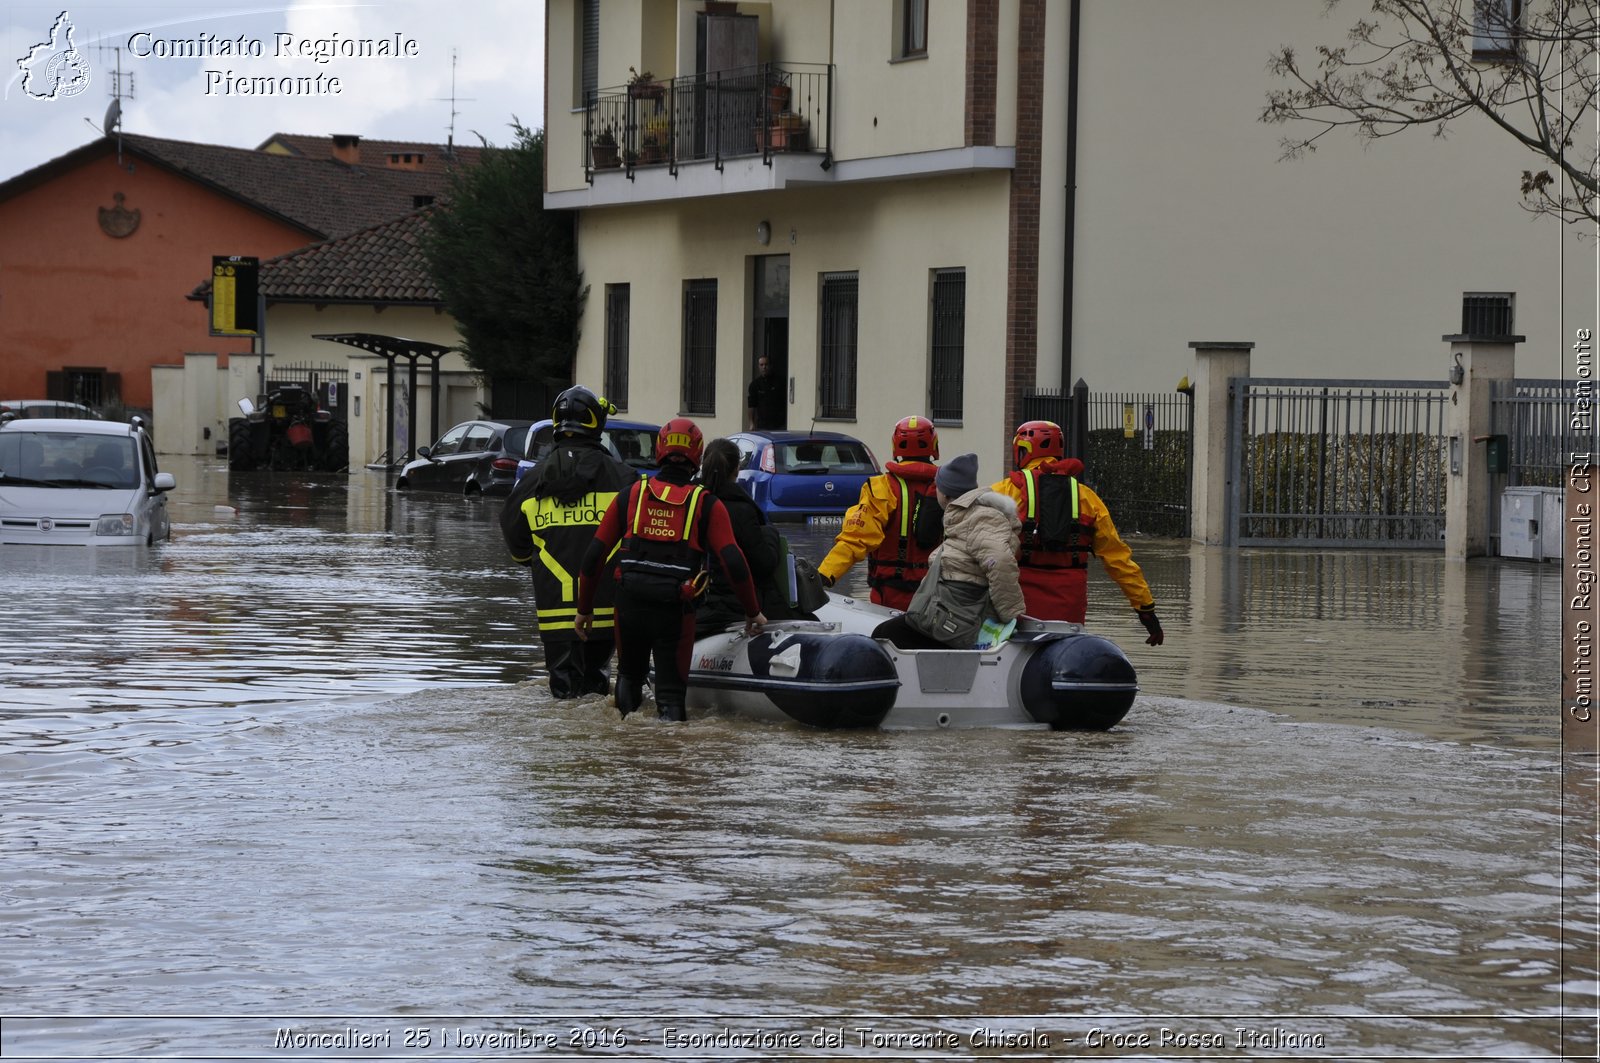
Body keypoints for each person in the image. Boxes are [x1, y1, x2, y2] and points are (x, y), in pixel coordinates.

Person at [574, 418, 768, 722]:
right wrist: (752, 611)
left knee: (628, 679)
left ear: (659, 450)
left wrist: (584, 609)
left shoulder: (631, 495)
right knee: (670, 696)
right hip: (675, 612)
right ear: (697, 455)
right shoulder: (705, 504)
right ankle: (670, 762)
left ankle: (625, 755)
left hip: (629, 606)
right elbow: (733, 561)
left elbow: (593, 556)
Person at [499, 386, 638, 699]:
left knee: (563, 696)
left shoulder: (532, 481)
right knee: (597, 689)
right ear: (596, 424)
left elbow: (511, 527)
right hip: (605, 603)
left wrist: (531, 560)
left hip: (554, 608)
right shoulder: (624, 478)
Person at [991, 419, 1165, 646]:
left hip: (1018, 609)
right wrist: (1146, 610)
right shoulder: (1088, 499)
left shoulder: (1001, 494)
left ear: (1023, 450)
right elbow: (1118, 560)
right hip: (1069, 610)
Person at [871, 453, 1027, 650]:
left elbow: (1000, 561)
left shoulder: (980, 517)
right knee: (887, 633)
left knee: (884, 635)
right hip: (949, 608)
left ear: (944, 493)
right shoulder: (964, 516)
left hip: (959, 613)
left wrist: (1009, 613)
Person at [816, 415, 943, 610]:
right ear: (933, 445)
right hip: (937, 595)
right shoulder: (948, 489)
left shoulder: (881, 487)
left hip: (889, 595)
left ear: (895, 446)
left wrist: (823, 575)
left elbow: (855, 539)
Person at [693, 437, 815, 635]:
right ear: (736, 470)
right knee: (810, 622)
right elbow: (763, 563)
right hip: (736, 607)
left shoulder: (692, 503)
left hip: (701, 602)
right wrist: (770, 535)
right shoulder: (741, 509)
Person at [746, 356, 785, 430]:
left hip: (779, 425)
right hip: (762, 425)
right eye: (761, 365)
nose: (764, 367)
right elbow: (751, 405)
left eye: (766, 364)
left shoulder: (779, 382)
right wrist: (751, 423)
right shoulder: (755, 384)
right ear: (758, 366)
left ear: (770, 365)